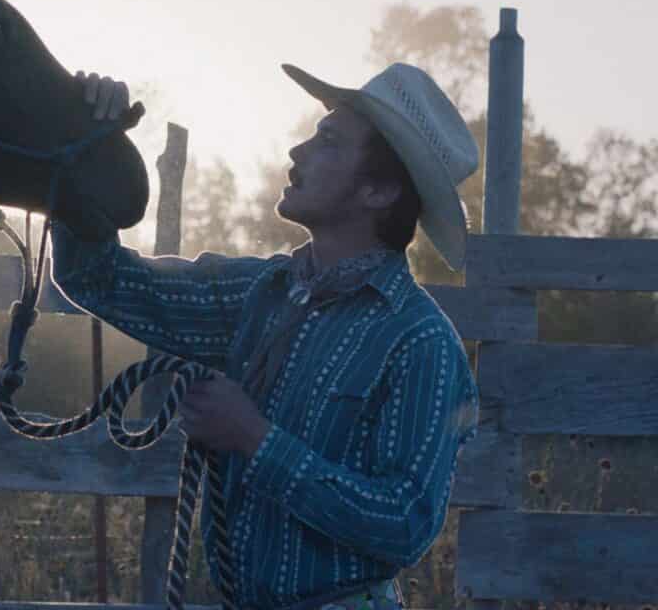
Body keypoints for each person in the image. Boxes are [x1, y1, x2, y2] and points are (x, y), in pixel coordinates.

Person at [58, 65, 482, 610]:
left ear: (378, 190)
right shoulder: (258, 294)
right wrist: (84, 140)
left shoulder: (420, 342)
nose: (297, 152)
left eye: (327, 141)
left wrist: (255, 439)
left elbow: (403, 524)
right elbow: (99, 278)